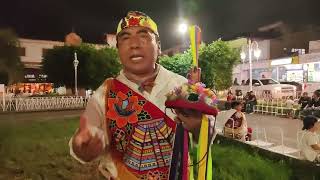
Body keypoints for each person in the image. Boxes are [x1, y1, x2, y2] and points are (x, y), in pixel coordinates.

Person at [69, 11, 201, 179]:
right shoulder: (105, 92)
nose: (134, 44)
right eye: (125, 38)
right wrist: (84, 147)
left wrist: (199, 127)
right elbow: (83, 136)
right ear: (118, 49)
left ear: (159, 46)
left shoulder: (182, 86)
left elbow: (207, 136)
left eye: (143, 36)